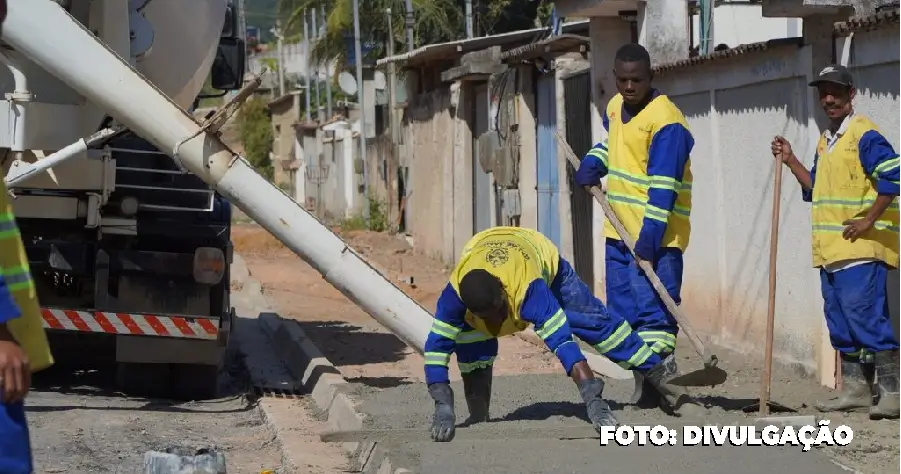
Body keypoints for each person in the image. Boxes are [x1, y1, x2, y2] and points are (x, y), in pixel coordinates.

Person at [422, 226, 696, 442]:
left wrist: (593, 398)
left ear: (505, 294)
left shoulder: (530, 290)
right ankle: (478, 417)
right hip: (482, 249)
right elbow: (436, 348)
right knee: (471, 347)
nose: (500, 322)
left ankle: (663, 379)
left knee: (598, 326)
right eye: (490, 318)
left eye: (501, 312)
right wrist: (442, 404)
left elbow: (563, 342)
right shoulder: (454, 297)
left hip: (538, 256)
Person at [574, 43, 700, 410]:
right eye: (623, 79)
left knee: (655, 314)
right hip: (619, 233)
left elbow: (664, 187)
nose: (630, 86)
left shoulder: (667, 123)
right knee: (626, 313)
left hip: (656, 237)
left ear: (651, 77)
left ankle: (667, 386)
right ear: (615, 78)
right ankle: (645, 382)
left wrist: (651, 236)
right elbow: (613, 146)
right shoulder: (614, 107)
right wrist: (594, 162)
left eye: (637, 80)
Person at [771, 64, 899, 420]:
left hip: (860, 250)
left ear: (850, 94)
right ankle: (857, 390)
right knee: (841, 324)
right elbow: (815, 189)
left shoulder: (865, 135)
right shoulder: (827, 140)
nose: (828, 99)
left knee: (867, 321)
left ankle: (892, 392)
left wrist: (868, 219)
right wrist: (790, 159)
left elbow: (894, 176)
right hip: (830, 253)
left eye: (836, 92)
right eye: (823, 93)